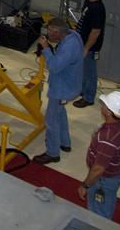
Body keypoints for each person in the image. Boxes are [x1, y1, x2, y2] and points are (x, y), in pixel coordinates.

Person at [33, 18, 84, 164]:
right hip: (70, 84)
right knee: (60, 113)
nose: (47, 34)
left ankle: (52, 153)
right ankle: (65, 143)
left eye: (50, 31)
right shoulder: (73, 36)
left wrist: (46, 49)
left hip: (62, 88)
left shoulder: (69, 47)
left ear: (58, 32)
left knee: (51, 120)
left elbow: (55, 66)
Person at [79, 90, 120, 219]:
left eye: (104, 105)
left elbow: (98, 169)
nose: (101, 107)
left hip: (103, 180)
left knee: (98, 212)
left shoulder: (107, 139)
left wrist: (85, 185)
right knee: (108, 200)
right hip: (115, 175)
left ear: (109, 111)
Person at [73, 0, 107, 108]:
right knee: (83, 69)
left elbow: (96, 31)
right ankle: (82, 90)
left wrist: (86, 48)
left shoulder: (98, 8)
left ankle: (88, 97)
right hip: (82, 42)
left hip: (90, 46)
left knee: (90, 71)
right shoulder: (88, 1)